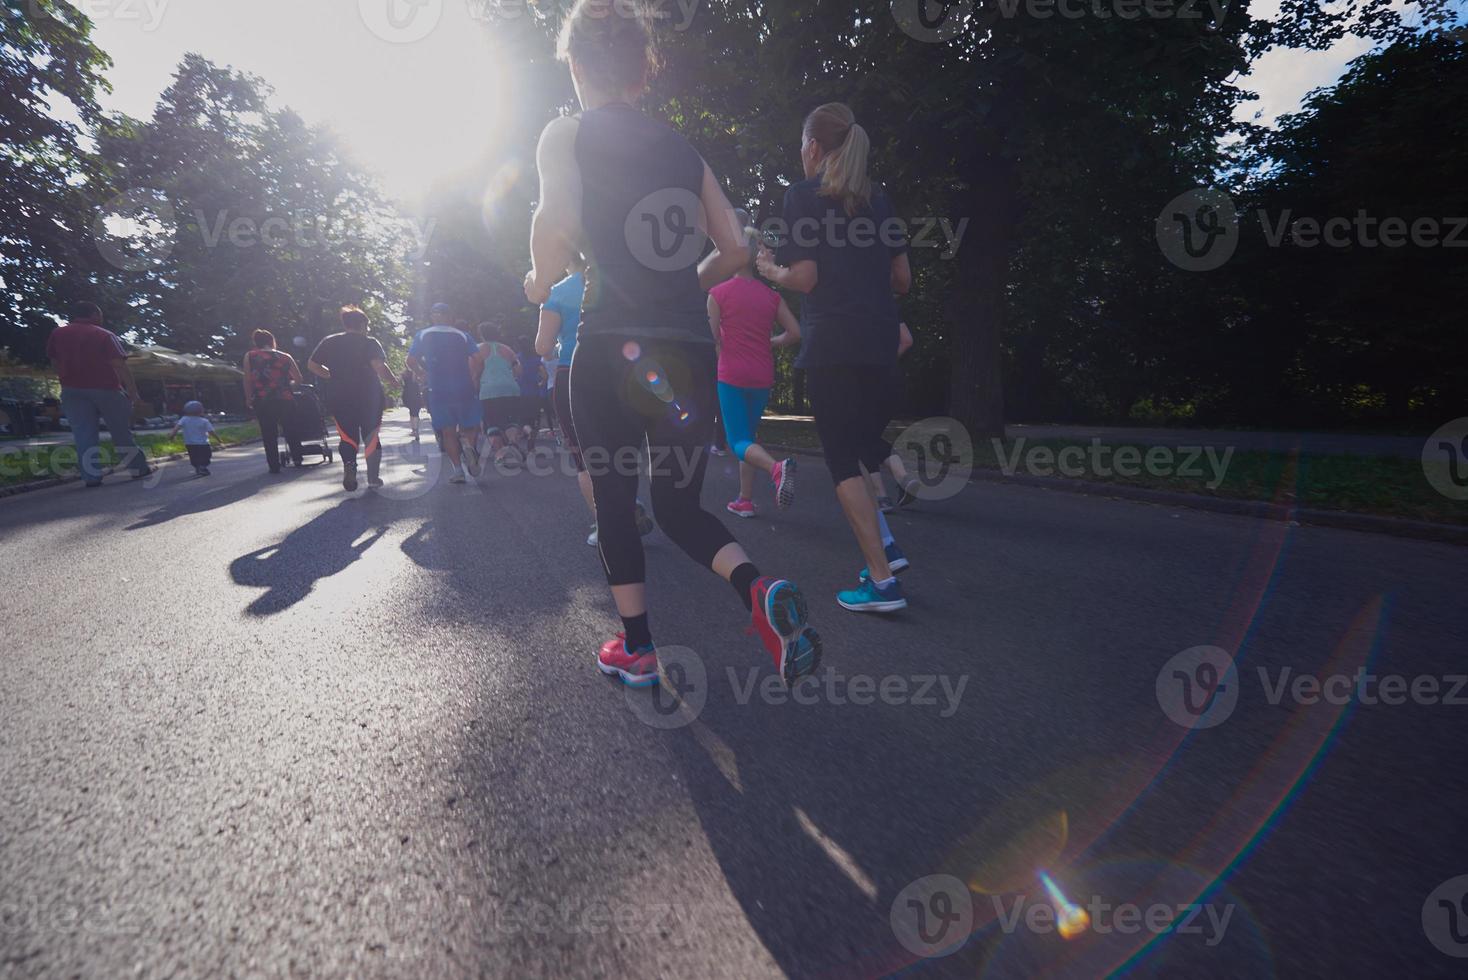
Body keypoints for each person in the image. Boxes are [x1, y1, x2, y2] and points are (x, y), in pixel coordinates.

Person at [525, 0, 820, 687]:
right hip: (688, 349)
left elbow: (556, 218)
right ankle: (755, 586)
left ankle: (639, 648)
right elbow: (738, 248)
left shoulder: (564, 132)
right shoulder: (684, 150)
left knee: (614, 493)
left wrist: (539, 283)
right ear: (640, 69)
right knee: (680, 505)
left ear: (574, 62)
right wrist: (685, 280)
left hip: (608, 348)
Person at [757, 102, 912, 613]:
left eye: (802, 144)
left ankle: (882, 582)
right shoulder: (880, 199)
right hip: (881, 341)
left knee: (843, 459)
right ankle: (885, 547)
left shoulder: (802, 196)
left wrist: (769, 270)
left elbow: (805, 278)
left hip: (833, 345)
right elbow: (902, 280)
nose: (801, 153)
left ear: (815, 148)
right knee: (861, 443)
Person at [537, 252, 655, 548]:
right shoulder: (617, 282)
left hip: (573, 373)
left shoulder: (557, 292)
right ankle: (629, 503)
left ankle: (609, 525)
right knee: (619, 449)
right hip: (620, 374)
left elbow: (543, 346)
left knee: (583, 458)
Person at [709, 209, 802, 518]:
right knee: (748, 436)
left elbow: (713, 340)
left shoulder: (718, 293)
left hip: (731, 373)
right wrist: (771, 343)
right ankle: (745, 499)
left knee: (736, 440)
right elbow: (795, 332)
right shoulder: (771, 296)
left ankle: (777, 469)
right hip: (762, 374)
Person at [45, 301, 154, 487]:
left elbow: (54, 361)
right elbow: (119, 365)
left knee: (83, 434)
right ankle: (137, 468)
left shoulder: (58, 333)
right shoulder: (104, 335)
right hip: (106, 388)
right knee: (120, 431)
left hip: (72, 389)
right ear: (94, 314)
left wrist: (64, 378)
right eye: (100, 314)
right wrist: (133, 393)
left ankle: (91, 477)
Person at [308, 306, 399, 492]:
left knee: (347, 436)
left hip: (339, 395)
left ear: (345, 324)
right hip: (369, 396)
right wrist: (392, 381)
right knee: (371, 435)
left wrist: (331, 375)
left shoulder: (329, 342)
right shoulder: (370, 342)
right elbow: (378, 366)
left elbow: (312, 365)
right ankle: (373, 477)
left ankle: (350, 466)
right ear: (363, 324)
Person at [408, 303, 483, 484]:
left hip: (438, 389)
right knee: (470, 426)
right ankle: (468, 446)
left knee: (448, 432)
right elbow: (479, 359)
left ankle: (458, 470)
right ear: (451, 317)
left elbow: (410, 360)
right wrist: (475, 378)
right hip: (463, 386)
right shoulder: (463, 336)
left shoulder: (423, 335)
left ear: (433, 316)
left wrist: (421, 374)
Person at [868, 320, 922, 512]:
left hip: (866, 383)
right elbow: (907, 340)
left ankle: (881, 496)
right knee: (870, 438)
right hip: (893, 382)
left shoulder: (852, 308)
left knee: (862, 440)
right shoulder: (887, 308)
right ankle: (905, 480)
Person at [242, 329, 304, 473]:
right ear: (272, 341)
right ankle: (297, 457)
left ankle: (274, 465)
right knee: (290, 428)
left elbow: (247, 379)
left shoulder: (250, 356)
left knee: (268, 432)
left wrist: (248, 397)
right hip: (285, 398)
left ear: (256, 342)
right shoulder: (285, 356)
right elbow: (299, 378)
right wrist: (289, 387)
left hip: (263, 399)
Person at [474, 321, 525, 463]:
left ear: (482, 335)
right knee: (511, 420)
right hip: (510, 388)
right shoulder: (507, 350)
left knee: (492, 423)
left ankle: (501, 454)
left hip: (489, 390)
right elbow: (519, 370)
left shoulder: (478, 350)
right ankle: (513, 443)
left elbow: (474, 372)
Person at [170, 400, 223, 476]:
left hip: (190, 444)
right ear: (200, 411)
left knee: (194, 457)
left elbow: (176, 428)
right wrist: (219, 439)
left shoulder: (184, 419)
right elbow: (211, 432)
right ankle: (202, 467)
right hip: (203, 444)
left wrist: (172, 436)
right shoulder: (204, 421)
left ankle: (198, 467)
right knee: (206, 457)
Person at [401, 365, 426, 443]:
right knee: (415, 413)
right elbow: (420, 380)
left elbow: (401, 382)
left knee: (412, 412)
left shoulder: (404, 374)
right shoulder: (415, 374)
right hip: (415, 395)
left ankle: (414, 430)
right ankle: (415, 430)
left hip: (407, 395)